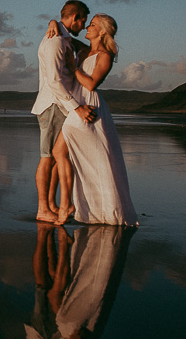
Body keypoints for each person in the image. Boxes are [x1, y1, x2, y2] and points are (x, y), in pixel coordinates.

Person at [48, 14, 138, 226]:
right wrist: (53, 22)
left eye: (93, 25)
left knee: (68, 153)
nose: (88, 27)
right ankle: (68, 205)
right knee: (62, 153)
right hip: (76, 105)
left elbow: (91, 84)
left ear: (103, 31)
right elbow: (65, 35)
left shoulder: (105, 55)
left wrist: (73, 68)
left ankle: (66, 206)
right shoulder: (85, 49)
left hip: (89, 106)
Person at [32, 0, 97, 224]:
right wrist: (76, 107)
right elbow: (53, 81)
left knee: (57, 159)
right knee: (47, 158)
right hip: (53, 105)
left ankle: (51, 205)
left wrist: (54, 22)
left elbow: (85, 48)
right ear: (74, 17)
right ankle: (42, 208)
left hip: (61, 106)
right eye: (82, 21)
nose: (83, 25)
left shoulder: (64, 39)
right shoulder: (55, 42)